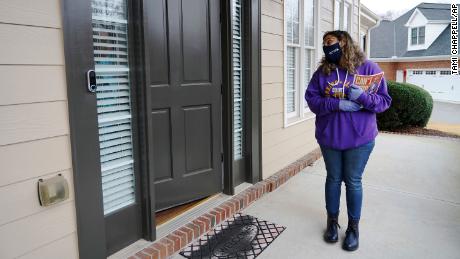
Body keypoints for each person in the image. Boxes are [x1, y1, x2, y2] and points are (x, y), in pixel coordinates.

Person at [305, 30, 392, 251]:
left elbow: (384, 102)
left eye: (330, 42)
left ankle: (353, 228)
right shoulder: (323, 72)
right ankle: (332, 222)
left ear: (344, 43)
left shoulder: (368, 68)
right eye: (324, 43)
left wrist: (362, 97)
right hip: (330, 137)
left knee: (353, 181)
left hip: (360, 139)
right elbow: (312, 100)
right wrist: (336, 104)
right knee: (333, 178)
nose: (326, 47)